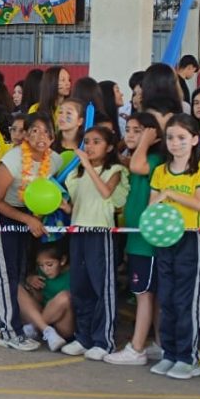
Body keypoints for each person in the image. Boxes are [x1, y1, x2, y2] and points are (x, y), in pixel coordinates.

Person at [0, 112, 64, 352]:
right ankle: (10, 332)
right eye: (34, 130)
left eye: (47, 131)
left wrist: (37, 215)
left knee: (15, 269)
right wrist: (27, 219)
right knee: (5, 273)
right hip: (2, 212)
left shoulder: (55, 160)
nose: (41, 136)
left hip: (28, 214)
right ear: (25, 134)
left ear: (53, 137)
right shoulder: (13, 160)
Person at [148, 113, 200, 380]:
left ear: (195, 140)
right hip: (165, 239)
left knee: (186, 300)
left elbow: (199, 204)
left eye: (182, 138)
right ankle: (170, 353)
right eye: (171, 137)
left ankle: (188, 357)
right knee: (167, 298)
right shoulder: (160, 171)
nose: (175, 143)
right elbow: (152, 206)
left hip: (190, 238)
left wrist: (170, 194)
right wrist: (161, 198)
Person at [60, 126, 129, 360]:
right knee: (80, 286)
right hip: (78, 231)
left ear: (109, 147)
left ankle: (103, 340)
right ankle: (84, 336)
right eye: (86, 141)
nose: (89, 146)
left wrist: (88, 166)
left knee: (103, 288)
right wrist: (61, 205)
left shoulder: (115, 170)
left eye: (96, 142)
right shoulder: (76, 174)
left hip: (100, 232)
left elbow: (106, 193)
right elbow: (75, 207)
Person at [17, 244, 75, 352]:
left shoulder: (73, 274)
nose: (45, 270)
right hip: (44, 315)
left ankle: (36, 327)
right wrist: (30, 280)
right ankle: (46, 330)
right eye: (41, 266)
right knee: (17, 289)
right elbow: (39, 298)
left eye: (49, 265)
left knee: (65, 296)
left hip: (62, 325)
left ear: (62, 260)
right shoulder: (41, 274)